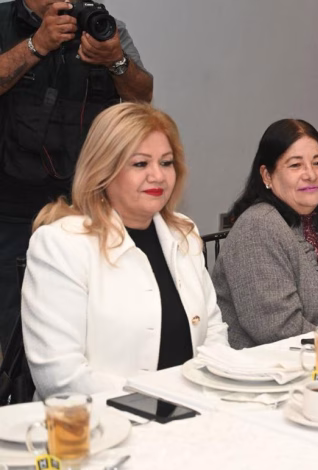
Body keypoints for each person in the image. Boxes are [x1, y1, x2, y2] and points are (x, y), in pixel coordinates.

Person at [22, 103, 227, 397]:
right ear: (103, 170)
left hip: (195, 409)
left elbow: (214, 333)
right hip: (102, 419)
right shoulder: (61, 244)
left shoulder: (184, 232)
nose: (158, 176)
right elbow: (60, 377)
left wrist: (208, 392)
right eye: (140, 164)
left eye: (166, 162)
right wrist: (160, 400)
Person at [0, 0, 153, 352]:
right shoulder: (4, 21)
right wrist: (36, 45)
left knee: (81, 322)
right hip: (9, 212)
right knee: (12, 329)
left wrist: (114, 59)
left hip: (84, 208)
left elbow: (142, 97)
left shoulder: (102, 25)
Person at [212, 119, 318, 348]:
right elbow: (278, 329)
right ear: (267, 175)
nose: (310, 174)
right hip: (270, 366)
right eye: (295, 165)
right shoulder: (258, 227)